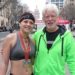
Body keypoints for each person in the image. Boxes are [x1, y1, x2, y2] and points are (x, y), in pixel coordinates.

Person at [32, 4, 75, 75]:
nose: (50, 19)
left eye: (53, 16)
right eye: (47, 16)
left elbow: (72, 60)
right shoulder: (37, 35)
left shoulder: (67, 36)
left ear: (57, 18)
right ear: (43, 19)